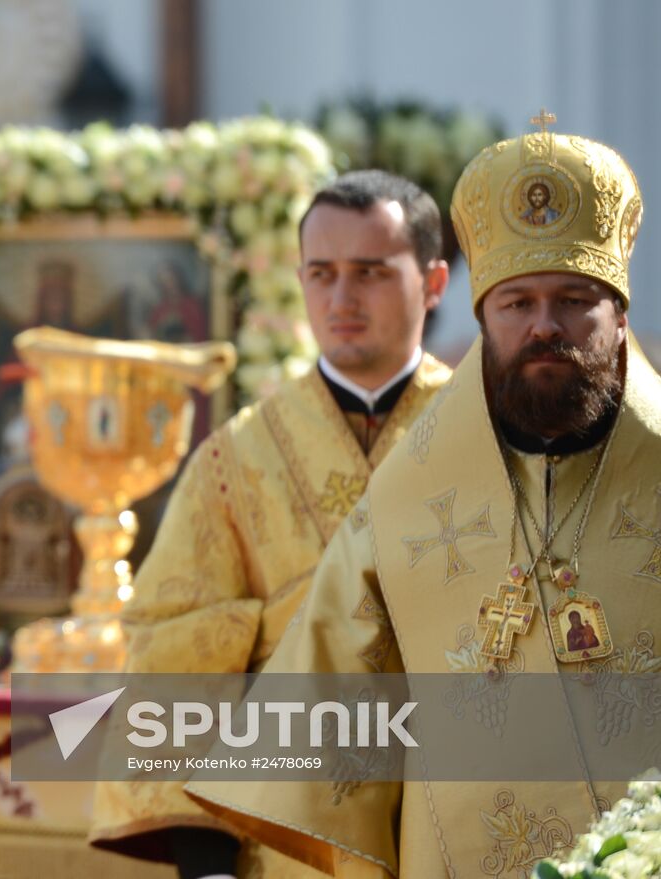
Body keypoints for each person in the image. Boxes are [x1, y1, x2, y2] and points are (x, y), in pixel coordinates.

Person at [186, 121, 656, 876]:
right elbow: (329, 696)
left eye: (574, 299)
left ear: (620, 314)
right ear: (482, 319)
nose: (544, 325)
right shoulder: (409, 493)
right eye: (516, 303)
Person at [88, 169, 452, 877]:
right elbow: (174, 655)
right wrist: (207, 863)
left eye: (370, 272)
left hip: (450, 826)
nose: (341, 299)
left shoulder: (483, 436)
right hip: (281, 844)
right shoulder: (234, 459)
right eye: (322, 273)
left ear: (433, 282)